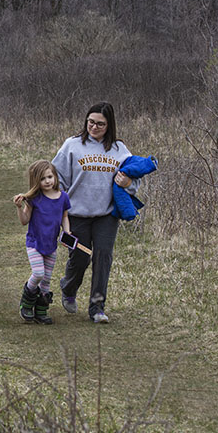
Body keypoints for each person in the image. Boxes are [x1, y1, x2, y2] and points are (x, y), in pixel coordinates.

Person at [50, 102, 137, 324]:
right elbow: (56, 177)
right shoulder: (72, 145)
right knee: (80, 257)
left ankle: (97, 307)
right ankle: (68, 287)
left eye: (100, 124)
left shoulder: (119, 150)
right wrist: (57, 209)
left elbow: (132, 181)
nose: (94, 127)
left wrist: (127, 181)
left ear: (109, 126)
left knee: (103, 257)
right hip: (77, 213)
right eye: (91, 122)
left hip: (106, 215)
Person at [13, 160, 71, 324]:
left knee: (46, 280)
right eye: (43, 179)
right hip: (35, 243)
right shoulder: (34, 199)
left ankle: (41, 310)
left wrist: (67, 232)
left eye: (50, 177)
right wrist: (19, 208)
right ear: (36, 181)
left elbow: (64, 217)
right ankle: (27, 301)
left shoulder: (63, 197)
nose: (47, 181)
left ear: (55, 176)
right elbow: (24, 221)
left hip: (51, 246)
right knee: (38, 273)